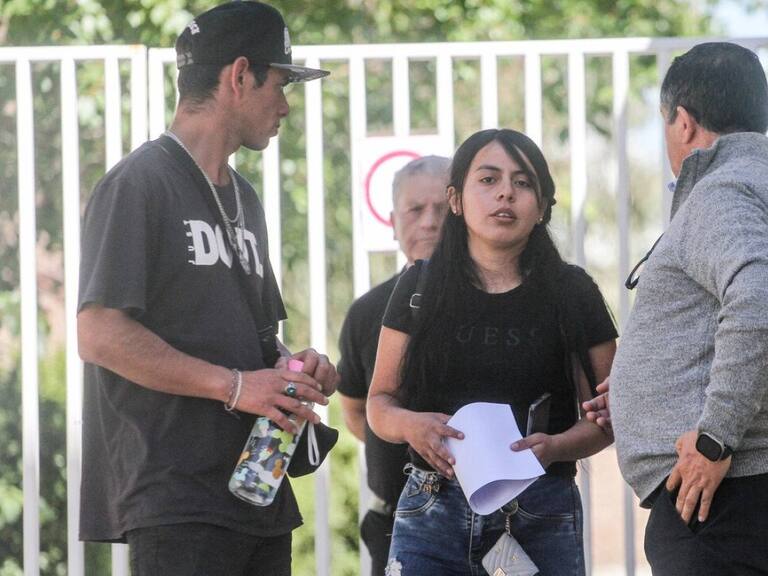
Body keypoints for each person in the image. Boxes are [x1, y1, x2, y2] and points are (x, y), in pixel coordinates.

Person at [76, 3, 338, 575]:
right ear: (239, 75)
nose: (286, 106)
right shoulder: (137, 183)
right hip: (177, 502)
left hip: (257, 492)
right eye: (280, 83)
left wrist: (295, 370)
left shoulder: (246, 198)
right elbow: (99, 333)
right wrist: (236, 386)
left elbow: (253, 339)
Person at [367, 128, 617, 576]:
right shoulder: (418, 287)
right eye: (488, 179)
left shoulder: (573, 292)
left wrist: (556, 447)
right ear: (456, 200)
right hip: (432, 508)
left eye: (523, 183)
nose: (506, 192)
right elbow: (378, 405)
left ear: (541, 208)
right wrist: (411, 426)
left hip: (542, 510)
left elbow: (606, 417)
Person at [602, 42, 768, 576]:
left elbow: (758, 298)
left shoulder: (722, 192)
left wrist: (713, 438)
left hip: (722, 499)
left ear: (683, 122)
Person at [337, 155, 450, 576]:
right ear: (392, 220)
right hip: (393, 523)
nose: (429, 222)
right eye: (415, 209)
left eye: (441, 209)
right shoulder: (367, 313)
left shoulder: (496, 298)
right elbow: (353, 410)